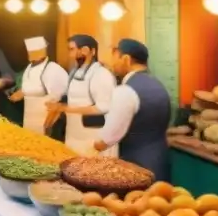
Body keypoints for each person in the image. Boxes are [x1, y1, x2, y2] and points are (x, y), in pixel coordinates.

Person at [94, 39, 172, 179]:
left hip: (136, 166)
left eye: (115, 59)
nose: (113, 65)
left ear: (126, 60)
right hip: (161, 161)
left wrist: (93, 146)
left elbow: (109, 137)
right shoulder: (159, 86)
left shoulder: (125, 91)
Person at [46, 34, 117, 157]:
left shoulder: (101, 74)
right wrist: (56, 111)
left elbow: (103, 108)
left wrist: (66, 109)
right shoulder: (74, 72)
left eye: (72, 49)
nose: (70, 54)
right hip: (73, 134)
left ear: (88, 50)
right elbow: (69, 97)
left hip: (93, 136)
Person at [9, 37, 69, 135]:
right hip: (29, 115)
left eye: (33, 52)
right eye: (29, 52)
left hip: (46, 115)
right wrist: (21, 92)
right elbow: (29, 86)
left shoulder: (53, 68)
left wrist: (54, 114)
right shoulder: (29, 67)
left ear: (42, 52)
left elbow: (59, 95)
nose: (30, 54)